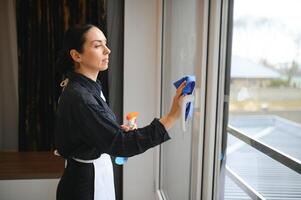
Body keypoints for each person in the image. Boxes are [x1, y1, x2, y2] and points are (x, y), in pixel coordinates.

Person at [54, 24, 186, 200]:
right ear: (76, 55)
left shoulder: (87, 87)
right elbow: (121, 145)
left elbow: (90, 132)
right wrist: (171, 118)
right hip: (85, 187)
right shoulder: (81, 97)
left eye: (105, 43)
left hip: (90, 175)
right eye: (97, 45)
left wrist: (113, 130)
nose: (107, 50)